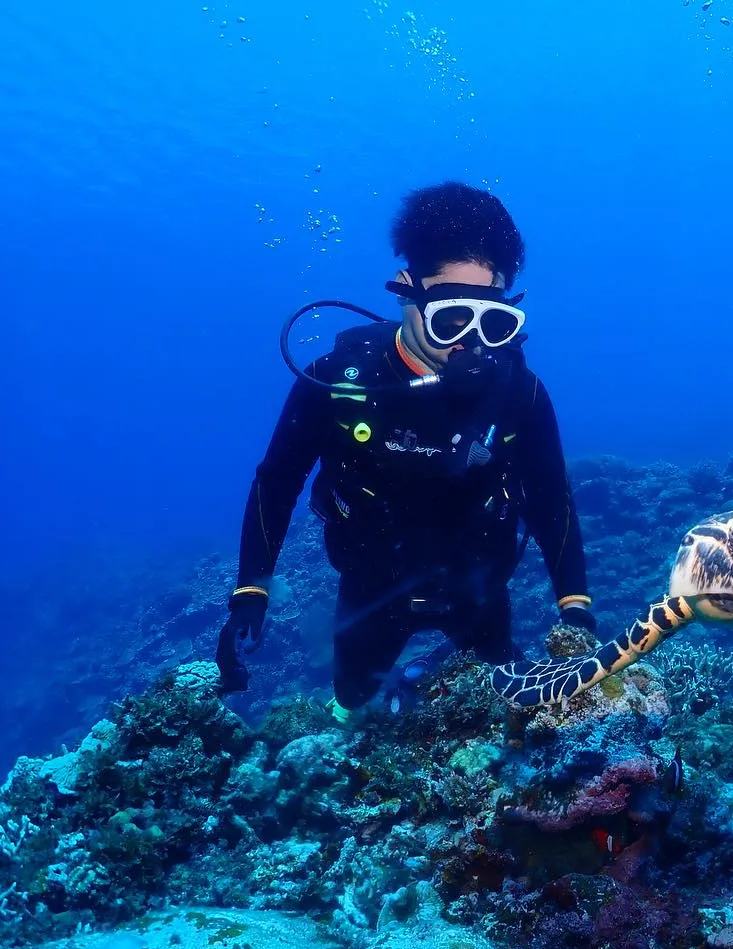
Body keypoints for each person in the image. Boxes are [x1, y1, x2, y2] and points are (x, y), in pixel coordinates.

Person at [215, 181, 596, 720]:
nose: (468, 343)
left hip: (478, 585)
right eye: (448, 319)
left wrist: (574, 607)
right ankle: (397, 684)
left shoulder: (521, 394)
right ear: (404, 290)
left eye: (492, 323)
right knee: (352, 703)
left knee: (497, 709)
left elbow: (552, 500)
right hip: (372, 583)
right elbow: (275, 483)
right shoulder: (336, 383)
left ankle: (431, 668)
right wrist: (250, 590)